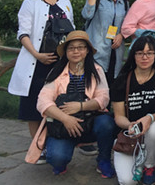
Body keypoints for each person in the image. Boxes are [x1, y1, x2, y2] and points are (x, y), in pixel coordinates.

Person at [9, 0, 78, 147]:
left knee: (58, 101)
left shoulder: (66, 3)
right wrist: (37, 54)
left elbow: (71, 30)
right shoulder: (29, 4)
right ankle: (38, 145)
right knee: (33, 107)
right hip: (37, 63)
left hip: (61, 63)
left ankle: (57, 143)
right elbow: (23, 33)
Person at [31, 30, 116, 177]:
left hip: (90, 120)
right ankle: (61, 158)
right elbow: (43, 101)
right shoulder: (57, 72)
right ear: (66, 52)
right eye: (71, 48)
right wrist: (65, 118)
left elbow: (103, 98)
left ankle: (104, 160)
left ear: (87, 51)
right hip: (63, 125)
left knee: (106, 124)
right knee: (56, 158)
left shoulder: (96, 71)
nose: (76, 51)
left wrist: (81, 106)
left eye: (80, 47)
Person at [110, 34, 155, 185]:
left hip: (151, 130)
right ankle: (136, 164)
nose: (145, 57)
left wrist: (149, 118)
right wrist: (129, 125)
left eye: (149, 53)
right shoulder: (122, 80)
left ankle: (149, 166)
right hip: (129, 134)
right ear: (133, 55)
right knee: (127, 181)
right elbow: (119, 116)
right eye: (140, 53)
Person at [83, 0, 133, 83]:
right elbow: (86, 14)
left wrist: (121, 35)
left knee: (112, 83)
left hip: (116, 50)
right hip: (96, 50)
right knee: (95, 83)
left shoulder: (124, 2)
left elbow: (128, 24)